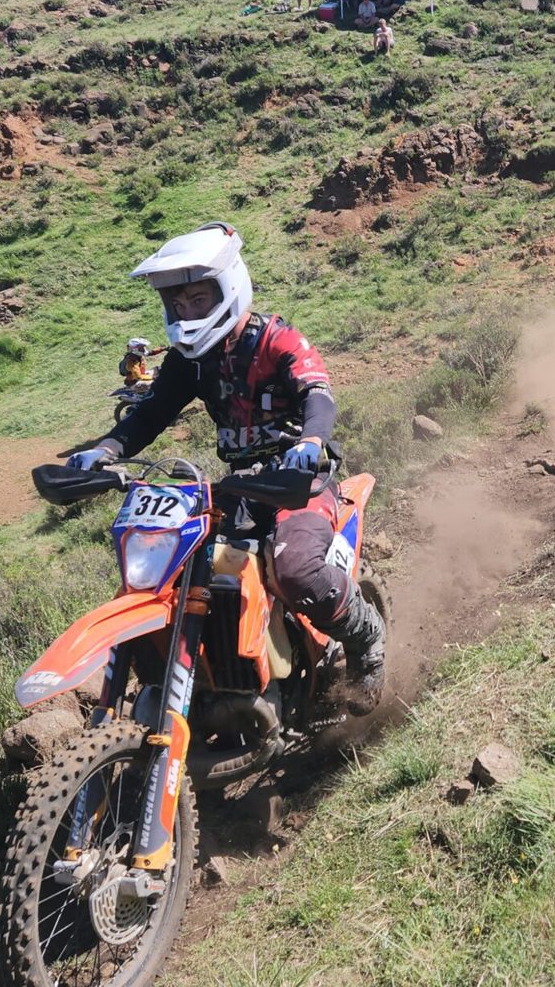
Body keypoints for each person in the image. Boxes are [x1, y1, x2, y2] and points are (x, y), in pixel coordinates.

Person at [62, 223, 387, 713]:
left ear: (228, 287)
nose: (187, 312)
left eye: (198, 299)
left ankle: (367, 636)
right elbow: (151, 413)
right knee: (168, 573)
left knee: (295, 570)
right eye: (178, 303)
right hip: (237, 487)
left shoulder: (277, 339)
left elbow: (317, 394)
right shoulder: (189, 362)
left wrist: (310, 440)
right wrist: (104, 451)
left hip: (299, 480)